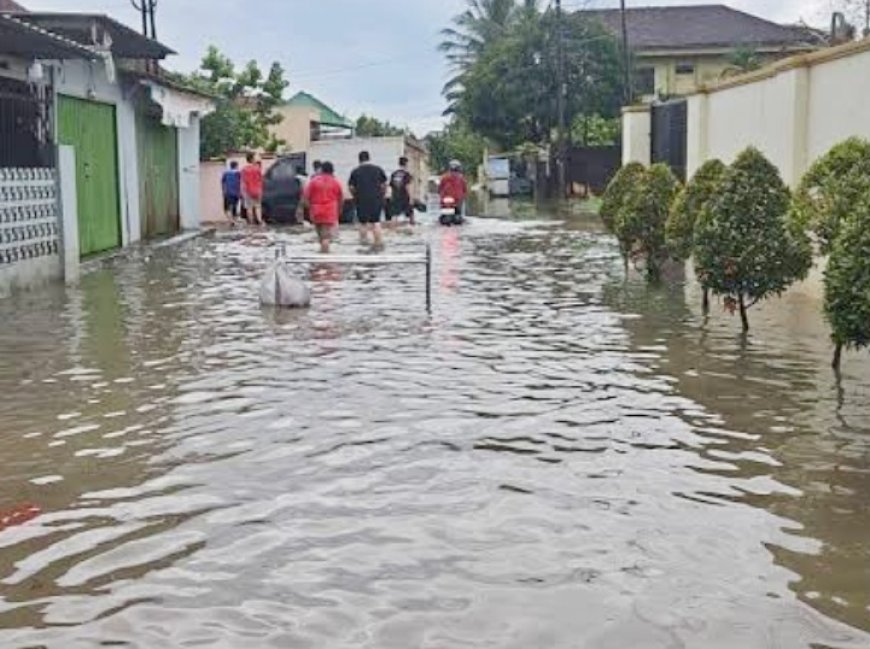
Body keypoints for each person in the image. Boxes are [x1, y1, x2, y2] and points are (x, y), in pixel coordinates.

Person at [302, 161, 344, 254]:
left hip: (316, 211)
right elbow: (341, 198)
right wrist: (339, 210)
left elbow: (305, 198)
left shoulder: (313, 181)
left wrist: (310, 209)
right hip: (329, 211)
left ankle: (321, 253)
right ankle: (325, 258)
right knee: (326, 237)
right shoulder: (335, 182)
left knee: (320, 236)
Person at [349, 150, 387, 248]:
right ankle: (378, 243)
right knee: (376, 222)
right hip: (376, 199)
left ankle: (363, 244)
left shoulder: (355, 171)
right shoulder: (378, 170)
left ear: (359, 160)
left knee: (363, 223)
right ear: (369, 158)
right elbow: (384, 185)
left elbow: (351, 187)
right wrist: (381, 195)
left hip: (361, 200)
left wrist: (355, 196)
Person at [387, 156, 415, 226]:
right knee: (411, 214)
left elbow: (390, 186)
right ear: (406, 164)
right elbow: (407, 186)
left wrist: (390, 197)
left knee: (394, 215)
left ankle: (392, 230)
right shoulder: (407, 174)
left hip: (395, 197)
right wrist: (411, 198)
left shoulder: (394, 174)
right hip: (404, 197)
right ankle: (413, 228)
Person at [241, 153, 264, 226]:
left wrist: (243, 192)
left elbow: (243, 181)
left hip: (248, 191)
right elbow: (261, 179)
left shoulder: (244, 169)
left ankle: (251, 222)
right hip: (257, 190)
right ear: (252, 159)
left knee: (249, 207)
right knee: (258, 206)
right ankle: (259, 221)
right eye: (254, 158)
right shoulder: (257, 169)